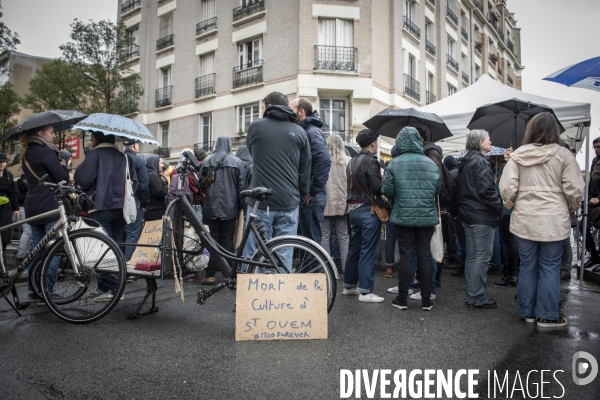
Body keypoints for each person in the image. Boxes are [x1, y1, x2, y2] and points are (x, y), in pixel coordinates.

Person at [500, 112, 584, 327]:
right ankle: (546, 315)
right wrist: (570, 207)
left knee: (528, 266)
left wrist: (513, 205)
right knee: (550, 267)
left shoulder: (518, 155)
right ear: (555, 130)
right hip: (554, 219)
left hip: (525, 218)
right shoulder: (564, 155)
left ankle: (527, 312)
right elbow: (575, 189)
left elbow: (507, 188)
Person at [242, 92, 311, 266]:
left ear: (269, 106)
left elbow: (253, 154)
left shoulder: (255, 127)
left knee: (253, 252)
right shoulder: (300, 132)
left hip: (260, 201)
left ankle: (252, 290)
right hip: (289, 201)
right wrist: (302, 194)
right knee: (284, 253)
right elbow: (305, 169)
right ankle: (280, 289)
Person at [382, 127, 440, 311]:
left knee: (406, 256)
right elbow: (437, 190)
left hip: (403, 216)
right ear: (418, 141)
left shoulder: (394, 164)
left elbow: (388, 191)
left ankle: (402, 298)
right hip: (426, 217)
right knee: (424, 256)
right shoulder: (431, 164)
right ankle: (426, 300)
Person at [75, 131, 137, 302]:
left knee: (104, 251)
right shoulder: (123, 157)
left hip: (100, 207)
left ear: (97, 137)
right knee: (115, 248)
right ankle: (104, 288)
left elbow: (83, 179)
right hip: (120, 209)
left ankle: (115, 289)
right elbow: (134, 181)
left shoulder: (95, 155)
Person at [20, 124, 70, 305]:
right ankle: (47, 291)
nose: (53, 135)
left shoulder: (26, 152)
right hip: (49, 204)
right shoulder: (45, 151)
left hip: (32, 204)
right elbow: (61, 178)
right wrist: (64, 166)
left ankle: (33, 291)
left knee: (37, 248)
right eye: (51, 132)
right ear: (41, 133)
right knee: (53, 250)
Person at [457, 130, 502, 309]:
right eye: (489, 140)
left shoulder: (466, 161)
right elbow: (486, 190)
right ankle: (476, 296)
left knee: (473, 256)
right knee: (481, 257)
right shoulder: (481, 161)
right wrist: (498, 207)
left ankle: (473, 294)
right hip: (480, 214)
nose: (491, 143)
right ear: (481, 142)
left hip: (468, 213)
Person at [343, 129, 385, 303]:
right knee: (368, 251)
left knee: (354, 248)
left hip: (353, 210)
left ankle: (349, 285)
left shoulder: (352, 161)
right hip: (368, 210)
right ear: (373, 143)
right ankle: (366, 291)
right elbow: (377, 188)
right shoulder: (371, 161)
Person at [199, 136, 243, 285]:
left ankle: (210, 275)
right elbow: (241, 188)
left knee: (213, 240)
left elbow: (201, 185)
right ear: (229, 145)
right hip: (230, 207)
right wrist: (241, 207)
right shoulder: (237, 162)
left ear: (216, 145)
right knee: (227, 240)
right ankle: (228, 273)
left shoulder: (207, 161)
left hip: (211, 207)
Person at [289, 98, 331, 244]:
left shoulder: (311, 132)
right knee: (305, 243)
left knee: (310, 244)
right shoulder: (306, 131)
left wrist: (312, 191)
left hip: (311, 197)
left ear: (301, 112)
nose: (288, 113)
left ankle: (314, 268)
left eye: (291, 109)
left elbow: (324, 160)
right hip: (309, 196)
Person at [321, 134, 350, 274]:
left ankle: (327, 269)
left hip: (326, 204)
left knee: (324, 236)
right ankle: (347, 269)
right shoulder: (348, 162)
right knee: (343, 236)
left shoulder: (324, 161)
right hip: (342, 204)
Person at [494, 148, 519, 287]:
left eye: (509, 151)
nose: (506, 153)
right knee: (512, 242)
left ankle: (511, 274)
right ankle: (512, 273)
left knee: (509, 242)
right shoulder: (518, 165)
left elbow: (502, 190)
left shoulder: (507, 166)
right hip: (513, 209)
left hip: (506, 210)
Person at [123, 139, 149, 262]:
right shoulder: (138, 160)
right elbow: (143, 184)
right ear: (135, 145)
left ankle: (117, 266)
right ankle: (127, 266)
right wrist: (145, 203)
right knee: (132, 233)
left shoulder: (119, 158)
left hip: (118, 200)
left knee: (120, 233)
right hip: (134, 200)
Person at [581, 137, 600, 267]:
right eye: (595, 147)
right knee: (583, 225)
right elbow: (592, 183)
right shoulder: (595, 160)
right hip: (593, 200)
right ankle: (594, 255)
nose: (597, 150)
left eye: (599, 147)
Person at [0, 153, 19, 257]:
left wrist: (15, 208)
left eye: (3, 162)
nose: (1, 164)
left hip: (6, 209)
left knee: (5, 232)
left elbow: (13, 192)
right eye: (0, 162)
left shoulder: (8, 176)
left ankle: (2, 255)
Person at [144, 155, 168, 221]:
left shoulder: (148, 173)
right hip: (155, 210)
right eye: (161, 163)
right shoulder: (153, 175)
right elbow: (161, 192)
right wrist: (165, 182)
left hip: (152, 209)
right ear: (154, 163)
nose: (163, 165)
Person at [14, 173, 31, 264]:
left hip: (23, 207)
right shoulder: (26, 181)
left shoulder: (21, 181)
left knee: (28, 232)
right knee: (27, 231)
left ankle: (23, 253)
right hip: (24, 207)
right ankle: (21, 254)